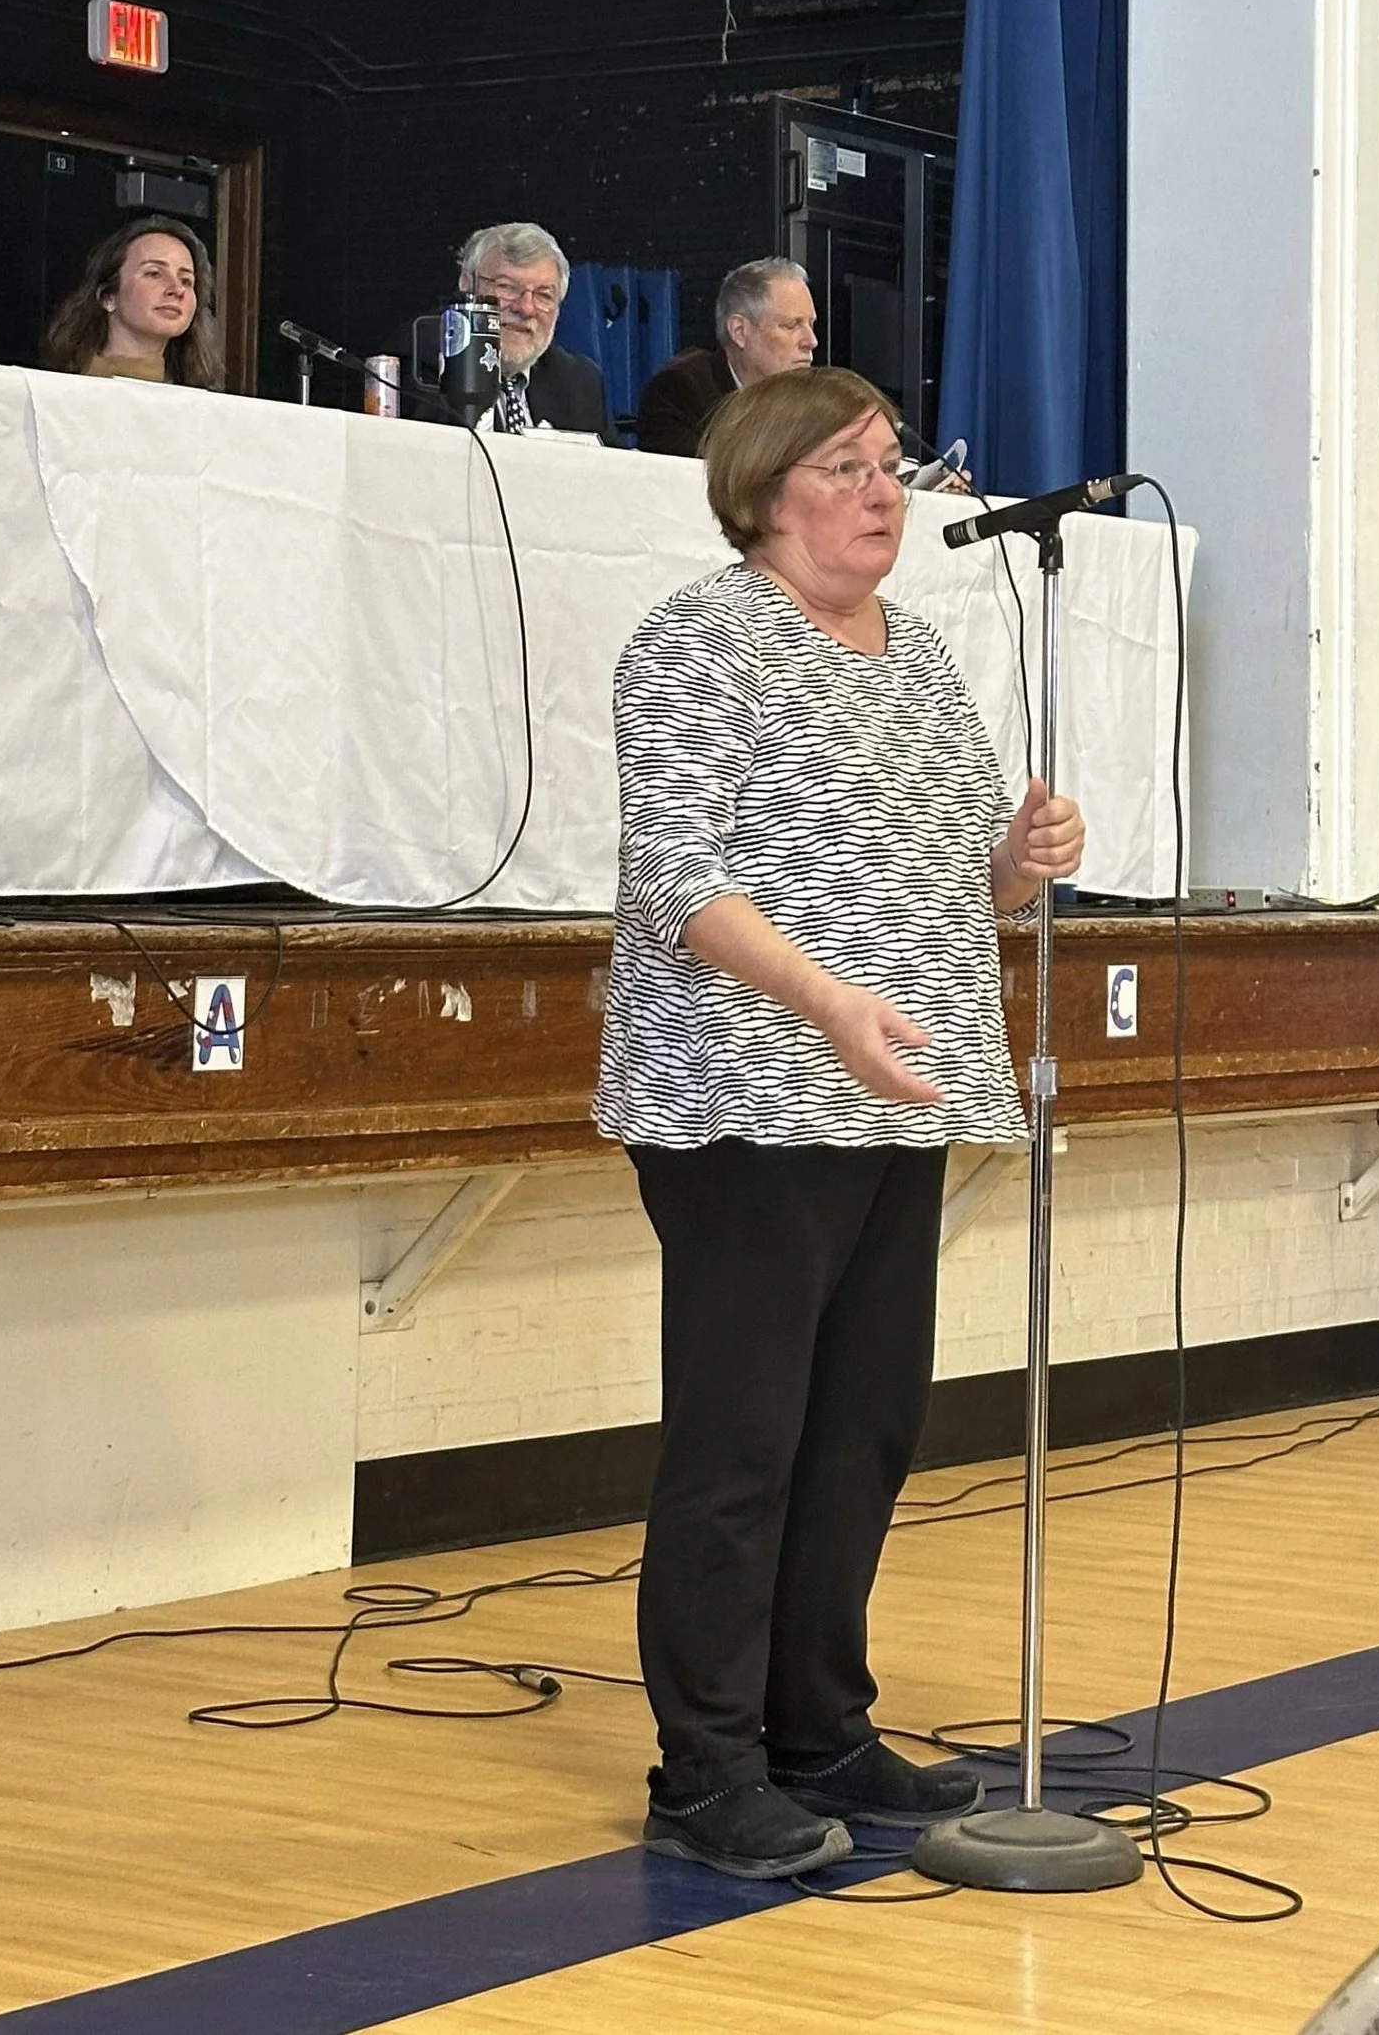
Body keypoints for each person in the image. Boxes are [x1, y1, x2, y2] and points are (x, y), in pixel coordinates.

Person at [594, 365, 1086, 1881]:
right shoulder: (699, 640)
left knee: (863, 1427)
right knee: (744, 1436)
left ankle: (821, 1724)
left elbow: (950, 884)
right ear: (763, 489)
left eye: (893, 464)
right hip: (745, 1094)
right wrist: (827, 1005)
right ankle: (708, 1765)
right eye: (848, 467)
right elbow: (679, 882)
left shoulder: (924, 656)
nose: (886, 492)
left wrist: (1013, 863)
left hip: (895, 1089)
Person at [634, 257, 817, 457]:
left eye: (811, 324)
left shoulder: (816, 401)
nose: (811, 341)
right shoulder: (681, 391)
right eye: (791, 326)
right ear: (739, 332)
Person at [456, 220, 609, 438]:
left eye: (544, 295)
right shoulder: (423, 363)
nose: (526, 308)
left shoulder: (579, 382)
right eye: (506, 287)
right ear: (466, 285)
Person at [40, 217, 226, 388]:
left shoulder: (203, 409)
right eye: (154, 273)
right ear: (108, 296)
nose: (177, 290)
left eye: (186, 280)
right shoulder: (57, 391)